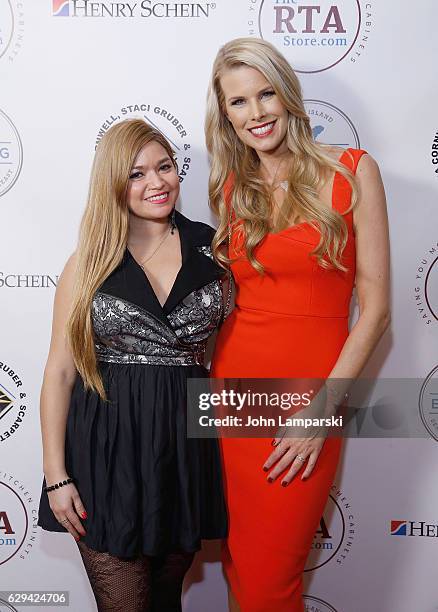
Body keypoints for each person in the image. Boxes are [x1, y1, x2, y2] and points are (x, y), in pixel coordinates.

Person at [206, 37, 390, 611]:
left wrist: (324, 408)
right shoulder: (232, 190)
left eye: (266, 95)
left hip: (307, 398)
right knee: (241, 567)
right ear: (225, 115)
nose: (256, 113)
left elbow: (377, 307)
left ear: (288, 97)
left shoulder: (353, 172)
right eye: (238, 102)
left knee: (270, 580)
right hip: (230, 392)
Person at [37, 118, 228, 612]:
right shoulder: (90, 261)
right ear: (114, 183)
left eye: (163, 167)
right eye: (136, 173)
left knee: (166, 602)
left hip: (185, 452)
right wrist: (57, 475)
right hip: (104, 453)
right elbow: (59, 370)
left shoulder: (216, 249)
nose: (156, 182)